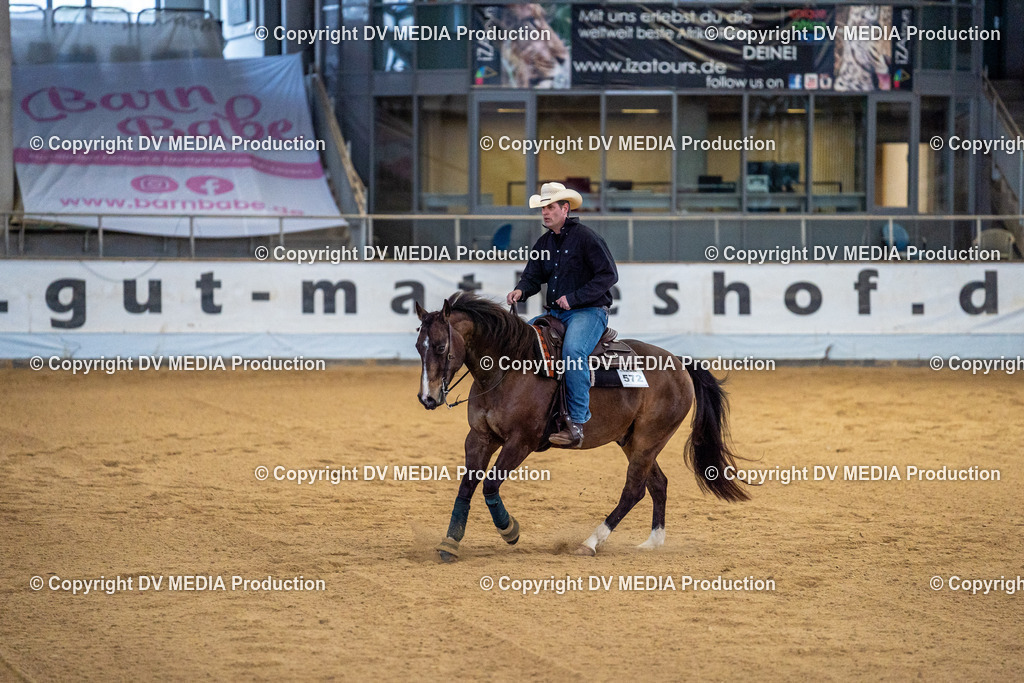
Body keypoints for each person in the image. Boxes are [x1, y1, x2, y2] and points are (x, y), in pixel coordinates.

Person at [506, 182, 618, 448]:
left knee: (573, 352)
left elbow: (609, 274)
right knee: (518, 343)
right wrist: (521, 291)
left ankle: (577, 422)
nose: (545, 213)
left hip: (589, 312)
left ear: (565, 209)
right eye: (543, 208)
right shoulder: (544, 243)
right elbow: (533, 276)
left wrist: (575, 297)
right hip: (556, 314)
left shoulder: (587, 238)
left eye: (550, 207)